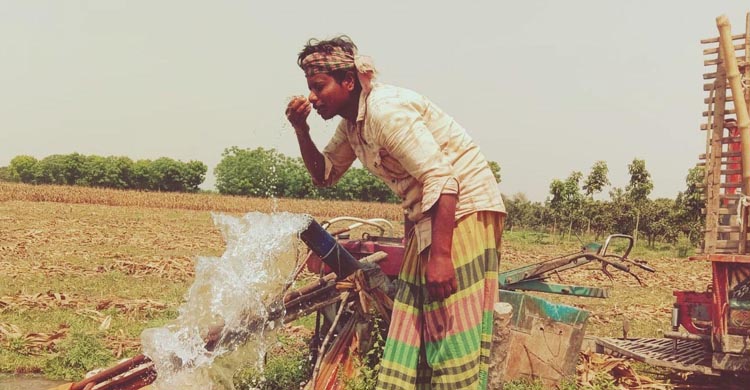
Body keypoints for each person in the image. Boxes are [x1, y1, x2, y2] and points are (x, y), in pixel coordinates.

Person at [285, 35, 506, 389]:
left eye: (319, 86)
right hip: (427, 213)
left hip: (463, 206)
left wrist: (441, 257)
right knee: (416, 313)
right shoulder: (352, 124)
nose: (312, 97)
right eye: (309, 88)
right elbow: (324, 175)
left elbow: (443, 179)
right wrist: (301, 130)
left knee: (448, 318)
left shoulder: (385, 112)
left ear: (348, 81)